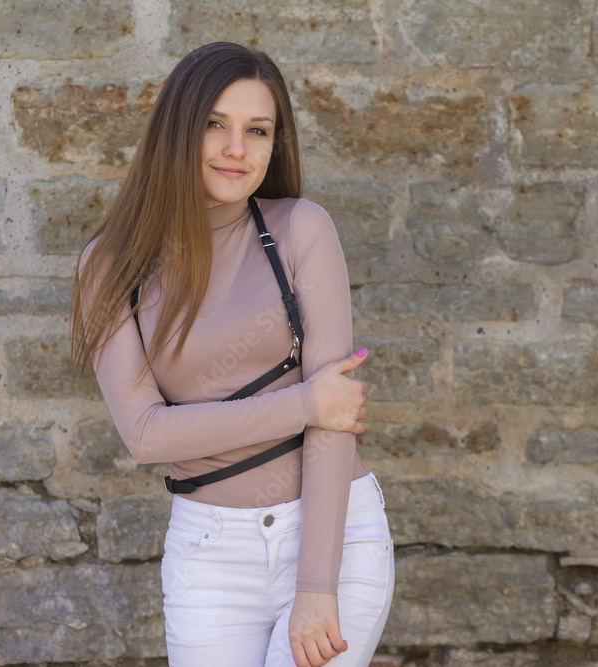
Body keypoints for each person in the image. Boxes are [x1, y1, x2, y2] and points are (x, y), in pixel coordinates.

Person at [71, 42, 394, 667]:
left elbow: (335, 434)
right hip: (210, 553)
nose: (236, 150)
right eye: (214, 125)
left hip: (334, 537)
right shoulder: (110, 266)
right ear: (177, 132)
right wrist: (305, 403)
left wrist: (317, 587)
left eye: (258, 130)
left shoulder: (301, 230)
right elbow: (145, 435)